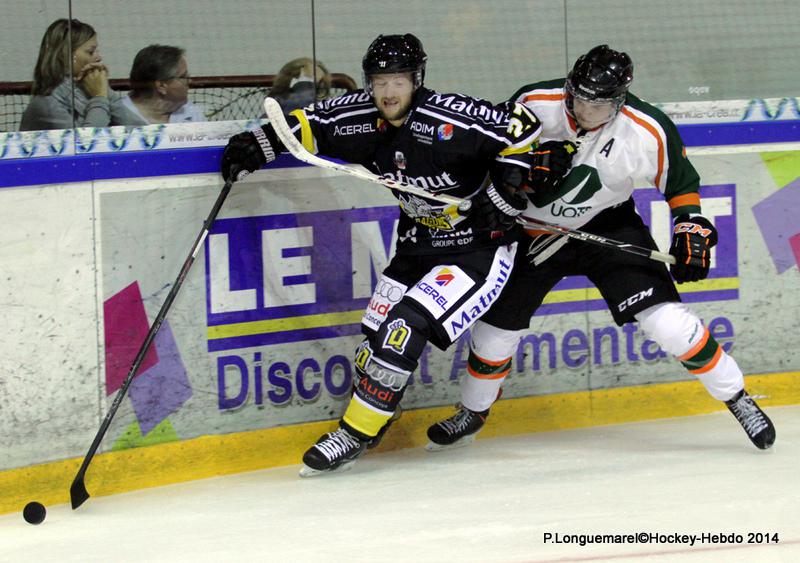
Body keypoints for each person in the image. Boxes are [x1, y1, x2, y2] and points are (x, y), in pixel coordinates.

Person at [219, 34, 570, 476]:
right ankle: (380, 417)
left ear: (417, 80)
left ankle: (355, 433)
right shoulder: (359, 116)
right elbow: (305, 124)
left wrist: (502, 195)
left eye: (398, 81)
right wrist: (260, 144)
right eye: (379, 81)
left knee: (404, 329)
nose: (388, 92)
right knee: (372, 348)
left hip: (476, 250)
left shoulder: (452, 117)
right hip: (415, 246)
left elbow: (522, 132)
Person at [426, 45, 776, 452]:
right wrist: (522, 170)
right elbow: (487, 155)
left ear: (620, 100)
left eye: (599, 104)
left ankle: (737, 397)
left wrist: (690, 224)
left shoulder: (647, 127)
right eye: (580, 97)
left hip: (608, 224)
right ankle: (473, 411)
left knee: (668, 324)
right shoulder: (533, 102)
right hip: (531, 231)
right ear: (570, 85)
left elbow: (679, 184)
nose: (585, 110)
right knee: (492, 333)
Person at [20, 18, 142, 131]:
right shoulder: (48, 102)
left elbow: (139, 129)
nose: (98, 57)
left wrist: (105, 92)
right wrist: (99, 97)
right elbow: (85, 144)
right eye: (91, 52)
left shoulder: (89, 86)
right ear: (65, 55)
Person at [123, 44, 206, 124]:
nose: (190, 81)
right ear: (161, 86)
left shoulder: (191, 113)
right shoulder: (117, 117)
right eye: (183, 77)